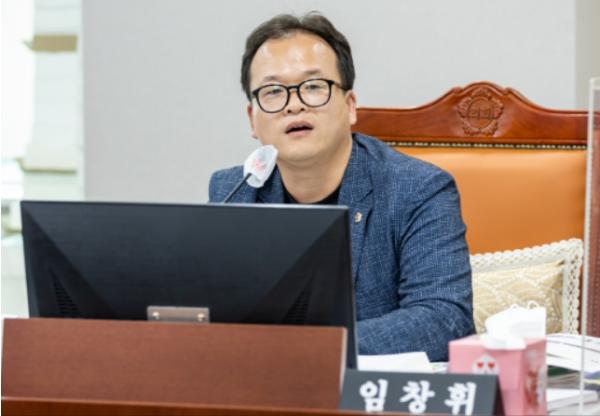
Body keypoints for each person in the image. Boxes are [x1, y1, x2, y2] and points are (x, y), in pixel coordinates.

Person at [209, 12, 474, 361]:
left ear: (350, 107)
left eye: (313, 86)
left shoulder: (418, 189)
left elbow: (443, 320)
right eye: (273, 91)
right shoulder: (234, 191)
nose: (294, 104)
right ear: (252, 120)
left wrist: (308, 348)